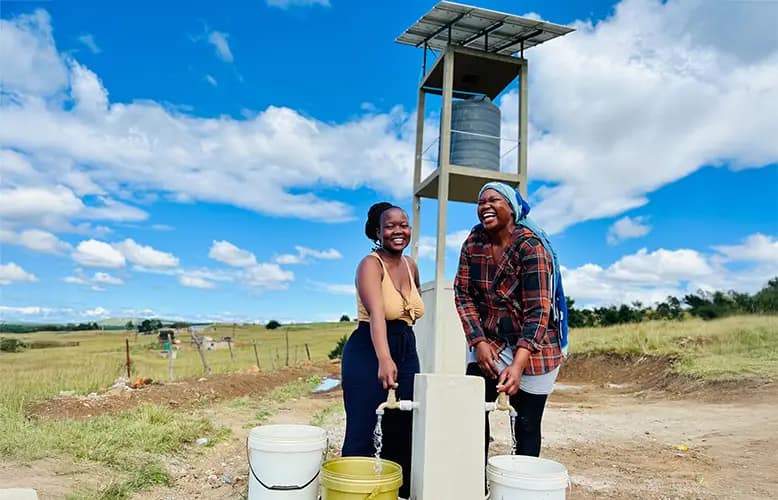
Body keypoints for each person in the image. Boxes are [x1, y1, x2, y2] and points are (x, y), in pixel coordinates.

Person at [454, 181, 567, 462]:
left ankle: (520, 481)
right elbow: (463, 294)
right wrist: (478, 341)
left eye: (494, 200)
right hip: (491, 341)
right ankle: (474, 480)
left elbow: (538, 312)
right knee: (471, 413)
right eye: (481, 202)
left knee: (526, 424)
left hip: (536, 347)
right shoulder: (474, 243)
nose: (486, 206)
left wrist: (518, 365)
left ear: (512, 209)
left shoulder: (531, 247)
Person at [341, 202, 424, 499]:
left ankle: (395, 493)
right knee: (363, 429)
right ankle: (352, 493)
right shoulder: (370, 265)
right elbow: (377, 314)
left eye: (403, 224)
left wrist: (401, 349)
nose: (398, 231)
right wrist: (385, 358)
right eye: (389, 226)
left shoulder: (411, 266)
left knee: (403, 426)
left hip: (406, 347)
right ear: (377, 232)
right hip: (369, 349)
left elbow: (410, 309)